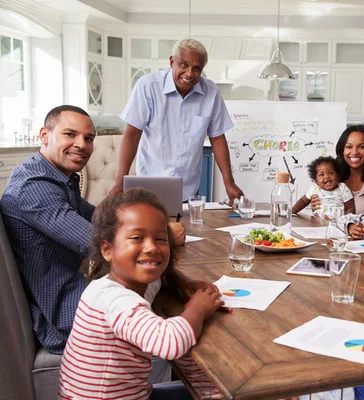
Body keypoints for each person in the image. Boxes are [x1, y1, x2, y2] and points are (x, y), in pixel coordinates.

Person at [0, 105, 186, 357]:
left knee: (169, 284)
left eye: (88, 138)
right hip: (69, 313)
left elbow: (102, 217)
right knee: (178, 301)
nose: (82, 144)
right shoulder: (34, 186)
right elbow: (96, 243)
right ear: (44, 135)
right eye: (70, 134)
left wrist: (153, 228)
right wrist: (161, 236)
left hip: (82, 290)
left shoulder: (54, 176)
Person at [58, 188, 224, 399]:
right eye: (137, 237)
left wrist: (183, 281)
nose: (152, 247)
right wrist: (197, 308)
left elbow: (159, 278)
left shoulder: (127, 282)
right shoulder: (115, 300)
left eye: (161, 239)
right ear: (107, 250)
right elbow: (170, 343)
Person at [113, 38, 243, 202]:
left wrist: (229, 183)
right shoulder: (148, 86)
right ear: (172, 61)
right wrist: (119, 183)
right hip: (148, 185)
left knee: (185, 228)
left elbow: (217, 138)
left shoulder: (212, 92)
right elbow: (132, 135)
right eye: (184, 65)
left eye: (197, 68)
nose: (189, 73)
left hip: (188, 189)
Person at [311, 125, 364, 215]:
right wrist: (317, 208)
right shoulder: (331, 177)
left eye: (361, 147)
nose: (354, 152)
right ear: (342, 150)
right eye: (349, 147)